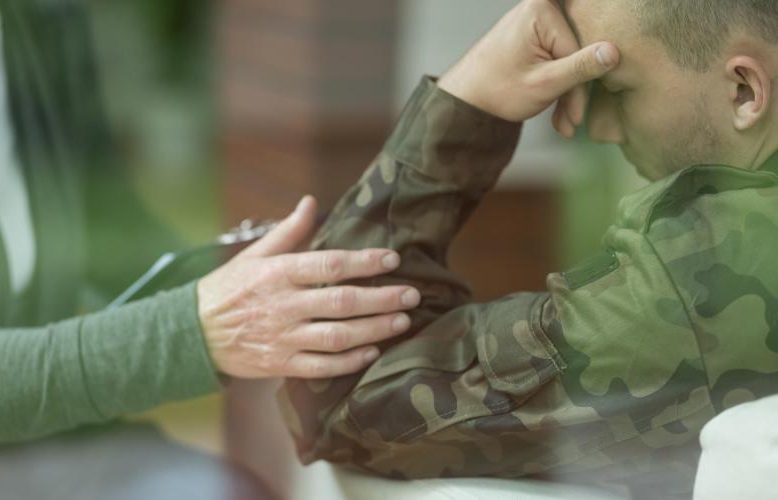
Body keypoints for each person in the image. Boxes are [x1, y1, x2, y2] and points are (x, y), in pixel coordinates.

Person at [278, 0, 778, 498]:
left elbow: (330, 403)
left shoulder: (700, 276)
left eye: (617, 91)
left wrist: (470, 100)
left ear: (744, 90)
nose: (600, 130)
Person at [0, 0, 423, 447]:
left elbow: (108, 227)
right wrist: (190, 334)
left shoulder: (40, 24)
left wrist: (261, 284)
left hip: (39, 448)